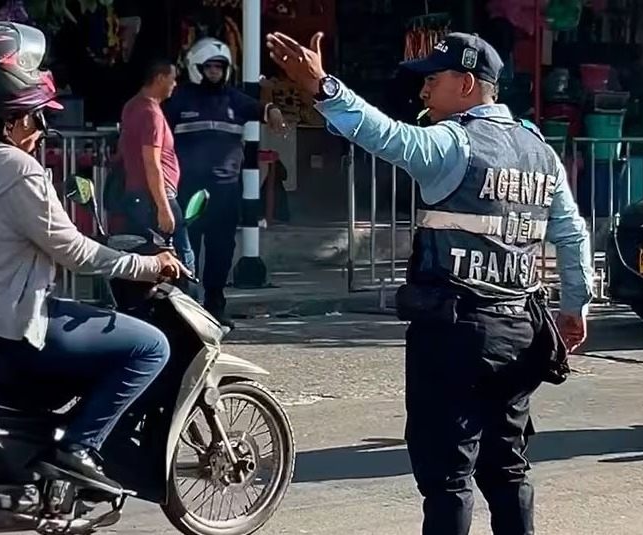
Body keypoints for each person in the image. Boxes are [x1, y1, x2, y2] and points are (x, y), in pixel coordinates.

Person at [266, 31, 594, 535]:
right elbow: (572, 232)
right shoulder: (539, 148)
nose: (423, 92)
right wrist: (576, 307)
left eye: (433, 80)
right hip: (520, 329)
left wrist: (324, 87)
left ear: (465, 84)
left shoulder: (453, 142)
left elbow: (386, 135)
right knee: (507, 469)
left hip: (454, 333)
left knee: (447, 480)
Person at [0, 21, 182, 496]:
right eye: (37, 118)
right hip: (10, 324)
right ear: (11, 122)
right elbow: (75, 252)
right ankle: (78, 449)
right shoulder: (21, 170)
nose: (43, 130)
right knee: (150, 347)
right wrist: (151, 264)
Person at [164, 37, 287, 328]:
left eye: (220, 66)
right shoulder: (179, 100)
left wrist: (273, 111)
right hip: (188, 191)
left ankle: (215, 307)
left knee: (221, 252)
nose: (216, 71)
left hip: (225, 193)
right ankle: (185, 308)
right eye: (210, 66)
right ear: (196, 68)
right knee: (186, 250)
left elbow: (260, 109)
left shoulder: (234, 99)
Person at [118, 58, 196, 279]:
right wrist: (164, 207)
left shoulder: (132, 106)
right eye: (172, 79)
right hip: (155, 197)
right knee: (182, 259)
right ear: (160, 78)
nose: (175, 85)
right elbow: (151, 162)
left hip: (137, 195)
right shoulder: (151, 113)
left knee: (148, 258)